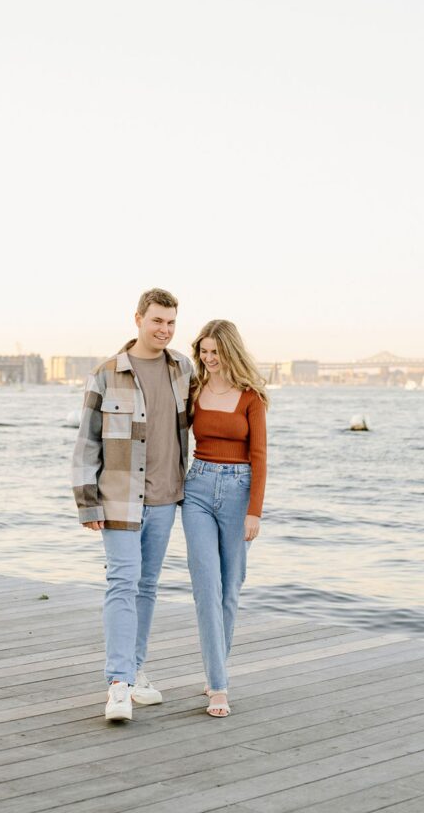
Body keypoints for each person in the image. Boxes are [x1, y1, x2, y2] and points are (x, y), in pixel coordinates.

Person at [72, 288, 192, 722]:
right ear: (138, 319)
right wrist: (88, 502)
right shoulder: (107, 374)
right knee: (122, 583)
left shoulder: (183, 369)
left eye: (172, 322)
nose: (165, 329)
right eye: (157, 320)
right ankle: (118, 683)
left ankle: (137, 669)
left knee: (146, 587)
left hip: (165, 498)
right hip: (119, 499)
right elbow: (86, 442)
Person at [182, 319, 268, 717]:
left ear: (229, 351)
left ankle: (217, 666)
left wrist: (254, 511)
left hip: (238, 492)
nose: (208, 359)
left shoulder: (251, 397)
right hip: (197, 488)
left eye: (215, 352)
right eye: (203, 351)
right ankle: (219, 685)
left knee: (230, 589)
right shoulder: (194, 390)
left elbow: (260, 457)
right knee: (206, 589)